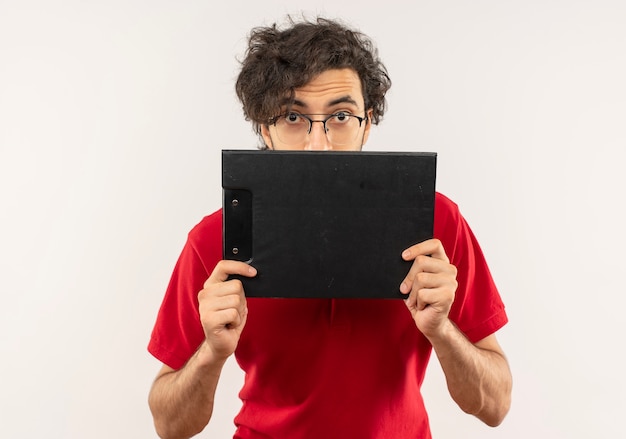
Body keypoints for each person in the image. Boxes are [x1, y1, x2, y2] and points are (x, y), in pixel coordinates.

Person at [147, 15, 512, 439]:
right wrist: (211, 352)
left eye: (340, 115)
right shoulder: (215, 238)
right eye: (293, 117)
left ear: (368, 122)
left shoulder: (436, 223)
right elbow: (168, 425)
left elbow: (497, 406)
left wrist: (442, 330)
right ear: (265, 128)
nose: (318, 143)